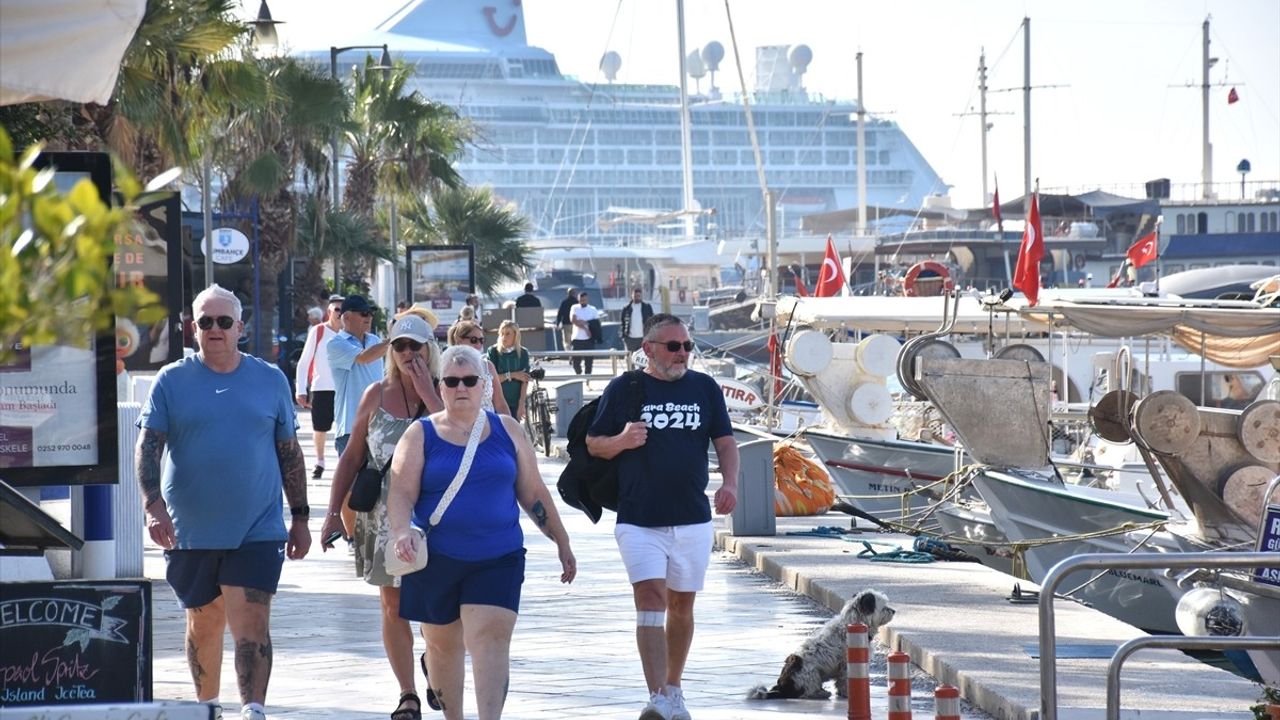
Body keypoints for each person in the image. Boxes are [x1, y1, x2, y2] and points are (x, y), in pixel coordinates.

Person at [136, 284, 310, 720]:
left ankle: (253, 709)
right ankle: (207, 707)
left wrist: (302, 516)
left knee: (252, 622)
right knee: (206, 620)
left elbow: (289, 451)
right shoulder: (171, 380)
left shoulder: (269, 379)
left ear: (240, 329)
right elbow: (148, 445)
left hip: (258, 525)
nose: (215, 329)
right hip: (189, 527)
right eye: (206, 322)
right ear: (193, 328)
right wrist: (152, 504)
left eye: (224, 322)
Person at [386, 345, 577, 720]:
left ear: (484, 385)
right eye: (452, 381)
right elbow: (401, 491)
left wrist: (562, 541)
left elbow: (534, 492)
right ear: (440, 387)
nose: (461, 388)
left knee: (490, 638)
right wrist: (400, 531)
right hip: (436, 559)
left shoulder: (508, 431)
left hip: (498, 556)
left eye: (470, 380)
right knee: (441, 646)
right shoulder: (420, 434)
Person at [585, 314, 739, 720]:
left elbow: (725, 442)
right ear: (648, 349)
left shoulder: (704, 387)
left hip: (692, 516)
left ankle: (674, 687)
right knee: (650, 600)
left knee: (682, 606)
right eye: (673, 346)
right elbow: (593, 444)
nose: (682, 354)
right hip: (639, 518)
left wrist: (731, 485)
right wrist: (622, 440)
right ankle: (658, 697)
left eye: (687, 346)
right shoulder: (626, 388)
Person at [319, 313, 443, 720]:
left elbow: (461, 440)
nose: (408, 353)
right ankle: (407, 694)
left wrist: (429, 394)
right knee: (392, 605)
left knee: (435, 604)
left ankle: (436, 665)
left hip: (434, 515)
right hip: (382, 515)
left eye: (415, 346)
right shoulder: (375, 394)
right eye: (400, 346)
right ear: (390, 350)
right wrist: (332, 513)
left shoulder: (449, 390)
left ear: (429, 350)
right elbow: (353, 456)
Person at [327, 294, 388, 539]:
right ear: (347, 317)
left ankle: (371, 535)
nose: (369, 317)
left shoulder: (374, 340)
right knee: (350, 488)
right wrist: (395, 340)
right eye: (364, 313)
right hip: (350, 428)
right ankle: (354, 539)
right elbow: (364, 358)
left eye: (370, 313)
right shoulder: (336, 344)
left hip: (380, 426)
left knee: (379, 486)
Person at [295, 295, 344, 479]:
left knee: (345, 428)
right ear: (329, 312)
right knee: (320, 428)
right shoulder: (319, 331)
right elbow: (304, 361)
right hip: (321, 387)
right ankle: (320, 461)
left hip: (344, 389)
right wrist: (301, 390)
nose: (340, 313)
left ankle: (344, 462)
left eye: (343, 309)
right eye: (337, 309)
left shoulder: (350, 334)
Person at [447, 321, 511, 416]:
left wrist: (509, 427)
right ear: (458, 340)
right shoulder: (448, 367)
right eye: (474, 340)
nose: (479, 344)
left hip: (489, 426)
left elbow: (500, 403)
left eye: (481, 340)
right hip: (461, 427)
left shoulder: (488, 366)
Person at [487, 320, 530, 420]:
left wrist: (521, 405)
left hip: (515, 403)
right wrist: (513, 375)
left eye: (507, 334)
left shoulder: (523, 353)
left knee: (513, 433)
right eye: (502, 333)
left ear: (516, 335)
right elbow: (492, 379)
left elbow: (525, 380)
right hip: (496, 403)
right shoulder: (493, 352)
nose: (504, 337)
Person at [569, 291, 600, 375]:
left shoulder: (593, 309)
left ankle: (587, 380)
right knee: (575, 362)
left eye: (584, 300)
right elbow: (573, 320)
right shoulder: (575, 307)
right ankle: (579, 376)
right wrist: (585, 327)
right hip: (577, 338)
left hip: (589, 340)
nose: (582, 302)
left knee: (589, 362)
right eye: (581, 300)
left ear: (587, 299)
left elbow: (596, 323)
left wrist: (584, 323)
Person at [619, 287, 654, 361]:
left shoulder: (647, 307)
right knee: (630, 360)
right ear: (632, 296)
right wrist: (624, 337)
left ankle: (642, 373)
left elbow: (652, 321)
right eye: (635, 296)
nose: (637, 298)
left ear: (641, 296)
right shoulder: (626, 308)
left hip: (643, 338)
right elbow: (622, 322)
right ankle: (631, 372)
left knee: (644, 360)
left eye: (638, 296)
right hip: (630, 339)